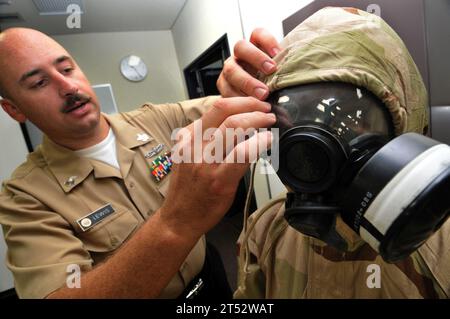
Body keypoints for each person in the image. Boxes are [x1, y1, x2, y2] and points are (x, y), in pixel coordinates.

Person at [0, 27, 280, 299]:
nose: (68, 87)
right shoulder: (25, 198)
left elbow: (238, 108)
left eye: (66, 69)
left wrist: (256, 81)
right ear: (14, 110)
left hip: (210, 276)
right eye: (39, 83)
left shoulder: (156, 119)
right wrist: (177, 223)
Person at [232, 7, 450, 299]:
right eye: (297, 117)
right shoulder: (265, 229)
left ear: (404, 122)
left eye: (350, 116)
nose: (316, 146)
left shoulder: (444, 245)